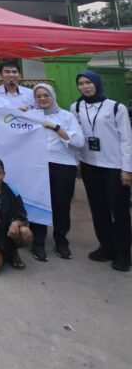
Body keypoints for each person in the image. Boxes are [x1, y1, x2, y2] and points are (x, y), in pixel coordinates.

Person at [70, 70, 132, 271]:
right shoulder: (76, 107)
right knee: (98, 208)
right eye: (81, 83)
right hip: (90, 165)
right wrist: (78, 162)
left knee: (120, 211)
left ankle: (123, 253)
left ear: (97, 83)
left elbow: (126, 139)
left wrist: (127, 169)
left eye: (88, 82)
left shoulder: (116, 108)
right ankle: (106, 246)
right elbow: (76, 134)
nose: (85, 86)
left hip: (114, 166)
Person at [28, 83, 84, 262]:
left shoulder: (66, 116)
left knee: (61, 205)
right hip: (37, 166)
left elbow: (79, 142)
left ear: (53, 96)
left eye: (46, 95)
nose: (42, 99)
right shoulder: (31, 115)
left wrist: (56, 128)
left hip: (62, 166)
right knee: (38, 203)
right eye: (38, 96)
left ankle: (61, 240)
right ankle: (38, 241)